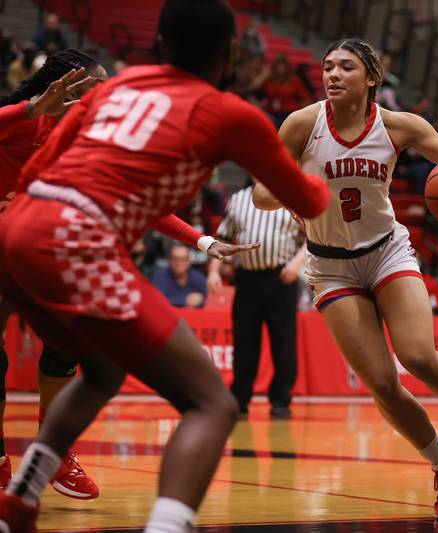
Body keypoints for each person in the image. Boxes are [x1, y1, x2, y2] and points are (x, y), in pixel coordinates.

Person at [0, 1, 329, 531]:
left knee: (101, 368)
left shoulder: (112, 88)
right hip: (75, 240)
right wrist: (320, 168)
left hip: (15, 229)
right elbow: (312, 203)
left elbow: (43, 166)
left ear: (161, 44)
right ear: (231, 56)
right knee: (212, 404)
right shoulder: (231, 114)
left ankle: (23, 494)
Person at [252, 38, 438, 520]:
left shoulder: (399, 126)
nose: (331, 75)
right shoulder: (302, 125)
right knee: (383, 385)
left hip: (386, 252)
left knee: (417, 355)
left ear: (371, 78)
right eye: (327, 67)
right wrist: (291, 190)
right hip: (330, 265)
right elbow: (262, 192)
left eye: (345, 67)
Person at [0, 50, 254, 498]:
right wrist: (30, 109)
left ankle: (55, 456)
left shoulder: (89, 145)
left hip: (43, 249)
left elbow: (138, 202)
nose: (107, 100)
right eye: (96, 91)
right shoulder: (22, 121)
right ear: (66, 88)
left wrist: (204, 242)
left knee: (67, 348)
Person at [208, 184, 306, 419]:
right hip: (247, 279)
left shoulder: (290, 194)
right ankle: (239, 400)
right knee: (244, 344)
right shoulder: (239, 198)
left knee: (283, 343)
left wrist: (297, 263)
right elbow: (222, 236)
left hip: (281, 277)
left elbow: (314, 236)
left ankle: (281, 400)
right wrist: (213, 271)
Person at [263, 53, 311, 127]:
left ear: (287, 67)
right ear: (275, 66)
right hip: (272, 112)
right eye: (278, 65)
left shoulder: (293, 79)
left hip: (289, 114)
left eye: (283, 65)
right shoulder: (269, 79)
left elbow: (306, 99)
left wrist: (300, 114)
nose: (280, 68)